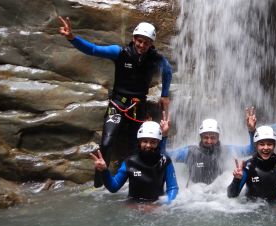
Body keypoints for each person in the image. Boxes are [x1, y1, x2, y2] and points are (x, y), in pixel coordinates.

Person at [59, 16, 172, 187]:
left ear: (151, 44)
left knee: (139, 146)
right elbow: (94, 50)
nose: (142, 45)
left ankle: (135, 184)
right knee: (107, 141)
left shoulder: (155, 58)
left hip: (138, 106)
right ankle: (98, 184)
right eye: (140, 41)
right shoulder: (120, 52)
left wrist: (164, 94)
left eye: (147, 42)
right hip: (118, 104)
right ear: (134, 39)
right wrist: (72, 38)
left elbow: (168, 71)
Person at [90, 121, 178, 202]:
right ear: (139, 142)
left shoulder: (165, 161)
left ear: (158, 143)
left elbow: (173, 188)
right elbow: (113, 187)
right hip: (134, 207)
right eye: (145, 141)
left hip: (156, 208)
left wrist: (163, 204)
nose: (148, 145)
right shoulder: (129, 162)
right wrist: (104, 171)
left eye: (153, 142)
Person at [166, 117, 253, 185]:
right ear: (201, 137)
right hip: (195, 196)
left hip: (219, 198)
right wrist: (164, 135)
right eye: (206, 138)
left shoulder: (226, 151)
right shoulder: (190, 152)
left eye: (213, 138)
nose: (209, 141)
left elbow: (251, 150)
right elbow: (166, 155)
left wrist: (251, 131)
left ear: (218, 137)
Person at [227, 125, 276, 208]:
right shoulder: (248, 167)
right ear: (256, 146)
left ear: (274, 145)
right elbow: (231, 195)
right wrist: (236, 180)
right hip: (250, 208)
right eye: (262, 144)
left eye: (269, 144)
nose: (266, 148)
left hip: (275, 206)